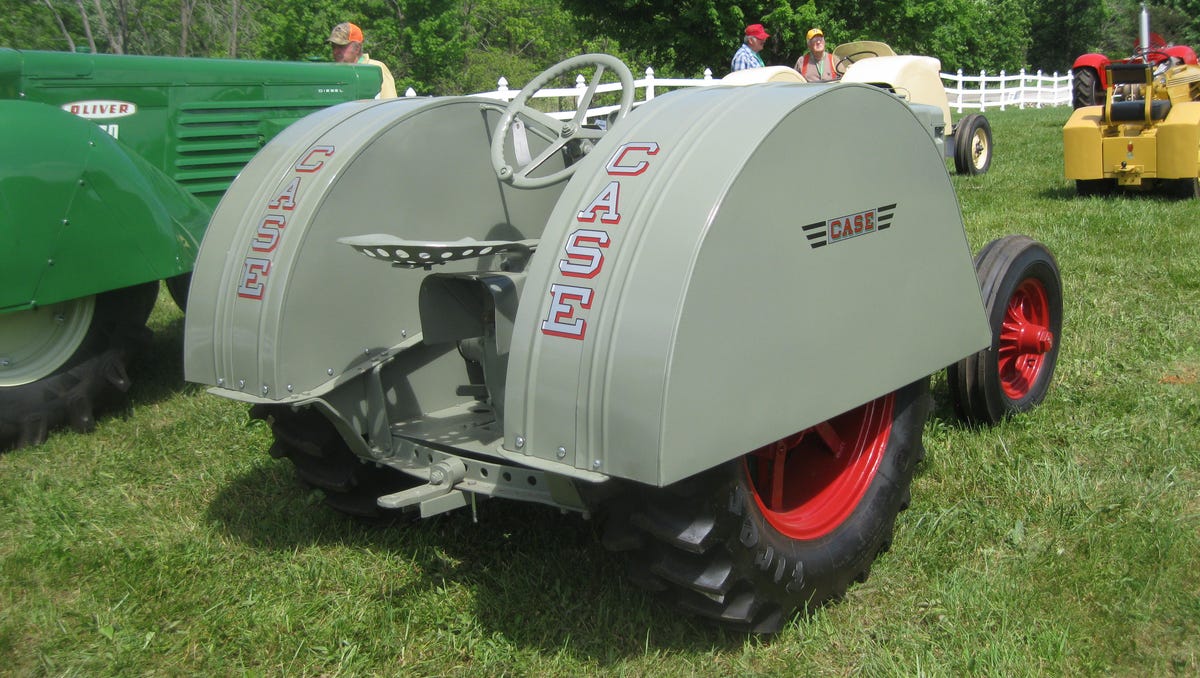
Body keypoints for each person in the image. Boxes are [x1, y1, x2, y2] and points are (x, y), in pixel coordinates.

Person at [328, 22, 398, 99]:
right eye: (333, 47)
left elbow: (390, 103)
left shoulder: (376, 69)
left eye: (341, 46)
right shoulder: (333, 73)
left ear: (357, 48)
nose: (336, 51)